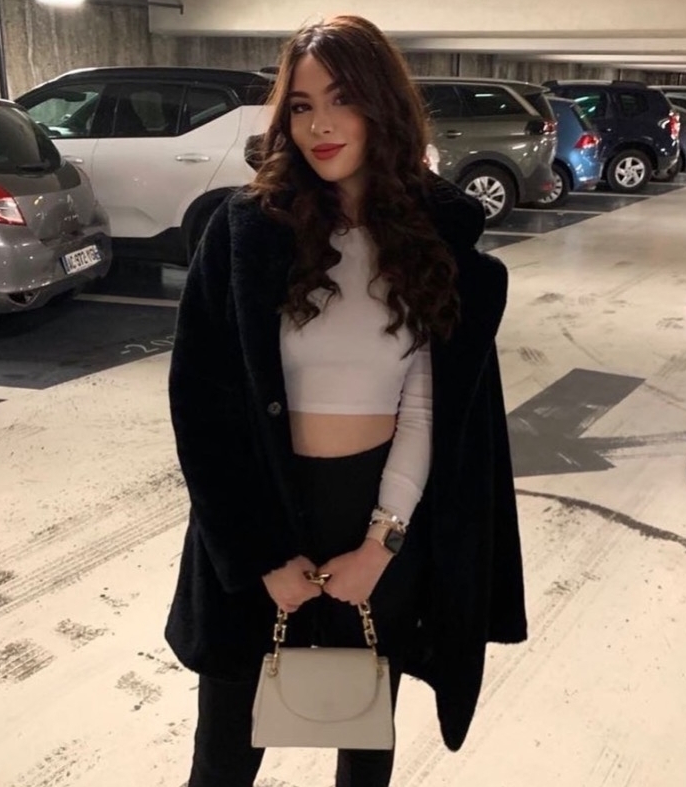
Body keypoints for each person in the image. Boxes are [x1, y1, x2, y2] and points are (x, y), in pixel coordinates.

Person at [164, 14, 527, 787]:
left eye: (341, 100)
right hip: (257, 517)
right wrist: (260, 557)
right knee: (222, 754)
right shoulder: (244, 234)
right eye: (300, 105)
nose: (319, 125)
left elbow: (426, 414)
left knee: (363, 745)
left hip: (373, 515)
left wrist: (379, 546)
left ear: (381, 107)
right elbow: (202, 406)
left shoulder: (428, 247)